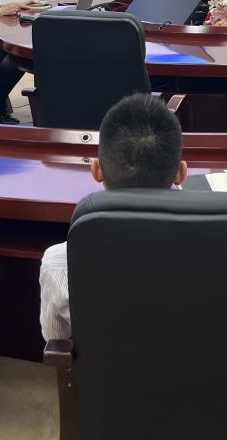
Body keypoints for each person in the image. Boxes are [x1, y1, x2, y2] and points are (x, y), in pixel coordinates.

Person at [39, 93, 187, 341]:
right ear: (181, 173)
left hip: (103, 368)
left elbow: (56, 342)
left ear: (96, 169)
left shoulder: (59, 263)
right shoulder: (221, 254)